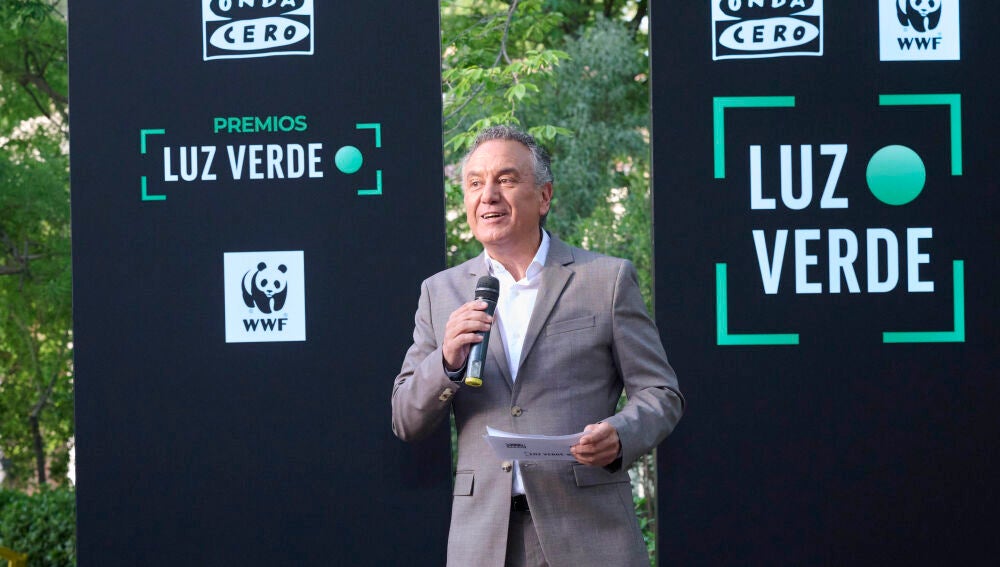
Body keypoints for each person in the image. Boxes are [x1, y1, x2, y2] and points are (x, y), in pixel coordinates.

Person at [391, 125, 684, 567]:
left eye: (505, 180)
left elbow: (661, 393)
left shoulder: (605, 280)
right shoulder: (440, 292)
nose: (488, 195)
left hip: (589, 532)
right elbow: (405, 418)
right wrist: (447, 361)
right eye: (475, 183)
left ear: (544, 196)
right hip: (483, 540)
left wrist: (620, 436)